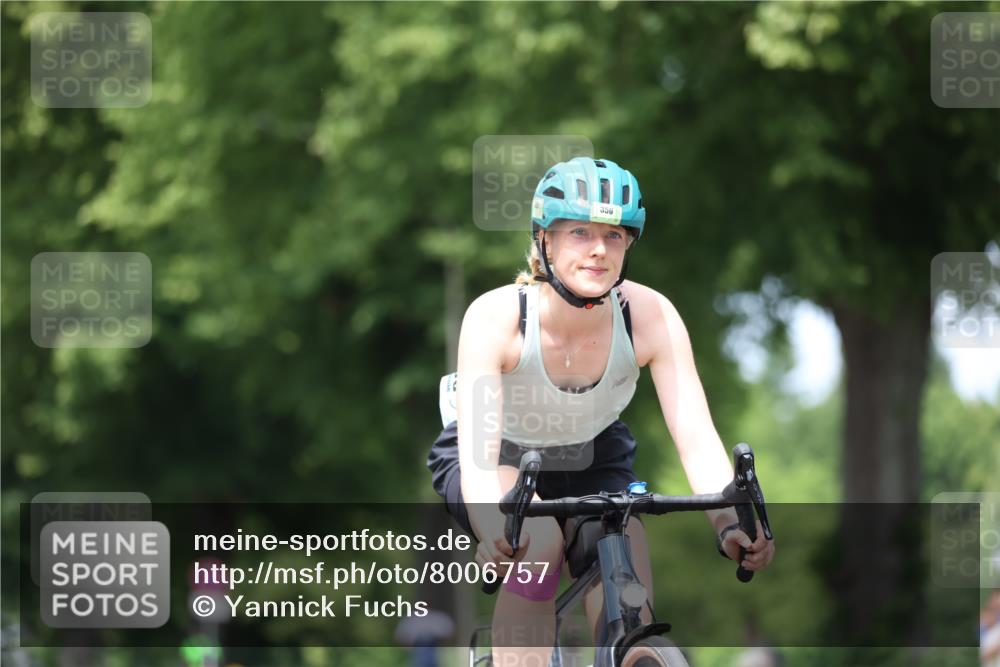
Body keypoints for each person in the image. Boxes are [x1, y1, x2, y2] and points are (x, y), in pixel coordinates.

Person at [427, 157, 775, 666]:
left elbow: (697, 437)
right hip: (496, 454)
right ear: (545, 240)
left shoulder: (651, 315)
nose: (598, 250)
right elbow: (479, 460)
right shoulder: (495, 316)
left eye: (614, 236)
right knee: (537, 541)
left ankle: (630, 651)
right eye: (580, 233)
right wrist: (493, 528)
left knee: (621, 548)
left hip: (593, 451)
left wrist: (729, 522)